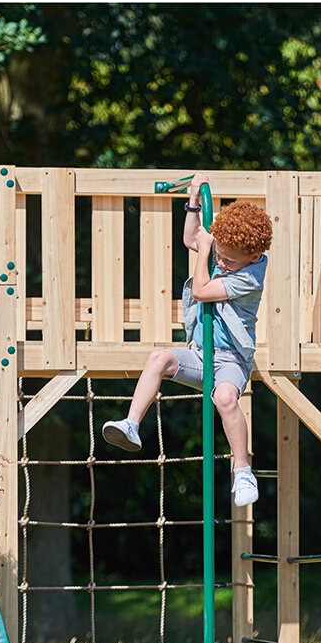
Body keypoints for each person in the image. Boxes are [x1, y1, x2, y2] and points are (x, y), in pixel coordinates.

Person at [101, 173, 273, 507]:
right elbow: (191, 237)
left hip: (231, 360)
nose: (221, 262)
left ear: (252, 257)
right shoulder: (224, 248)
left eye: (227, 260)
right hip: (199, 352)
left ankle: (242, 469)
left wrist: (206, 252)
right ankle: (132, 424)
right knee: (159, 358)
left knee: (224, 398)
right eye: (219, 255)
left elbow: (201, 290)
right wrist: (194, 202)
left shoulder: (251, 276)